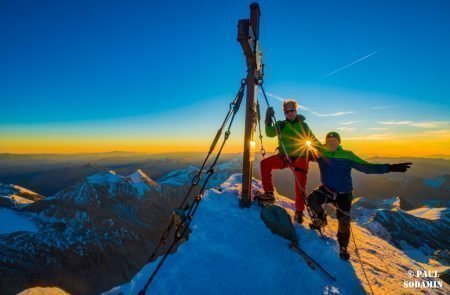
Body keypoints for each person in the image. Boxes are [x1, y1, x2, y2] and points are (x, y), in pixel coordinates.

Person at [308, 131, 412, 260]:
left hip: (344, 194)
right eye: (329, 141)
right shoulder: (321, 153)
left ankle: (343, 247)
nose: (331, 143)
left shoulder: (347, 155)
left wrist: (390, 168)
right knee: (312, 199)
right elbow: (306, 142)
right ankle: (320, 220)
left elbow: (367, 168)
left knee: (344, 221)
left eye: (334, 141)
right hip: (327, 190)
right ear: (326, 143)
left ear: (339, 142)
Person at [256, 99, 320, 224]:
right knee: (265, 164)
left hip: (301, 158)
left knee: (300, 186)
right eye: (287, 111)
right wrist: (267, 119)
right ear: (284, 112)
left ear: (296, 111)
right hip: (284, 157)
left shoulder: (303, 125)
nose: (290, 113)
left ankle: (299, 212)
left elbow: (313, 140)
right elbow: (269, 133)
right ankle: (269, 193)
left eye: (292, 110)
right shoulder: (281, 124)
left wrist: (326, 152)